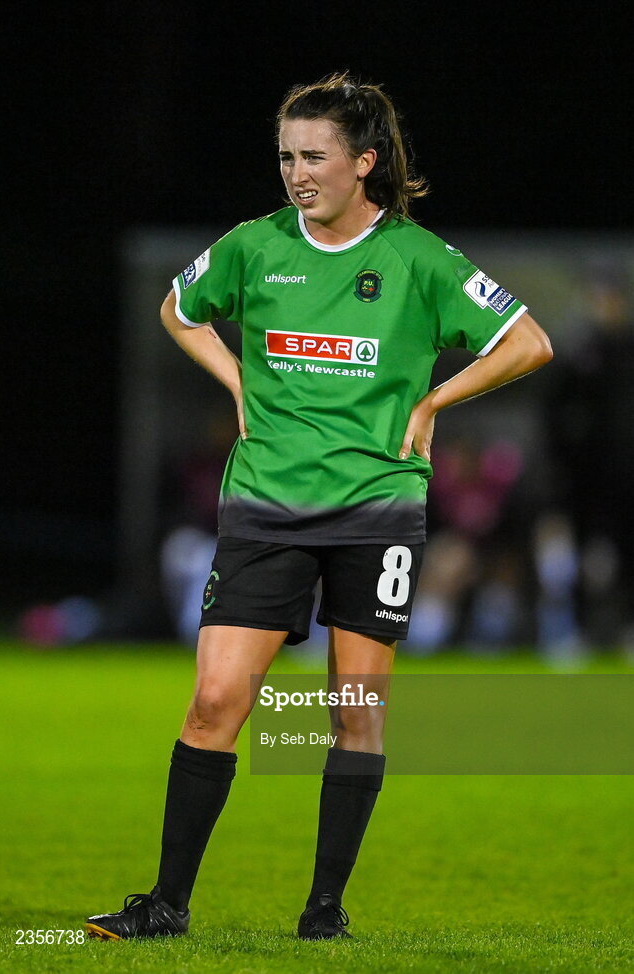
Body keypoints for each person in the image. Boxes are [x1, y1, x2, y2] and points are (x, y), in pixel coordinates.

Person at [85, 72, 552, 942]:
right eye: (285, 157)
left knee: (355, 706)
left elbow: (528, 341)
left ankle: (324, 909)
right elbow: (178, 311)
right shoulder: (254, 246)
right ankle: (166, 904)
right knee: (216, 701)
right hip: (265, 501)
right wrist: (237, 383)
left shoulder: (418, 260)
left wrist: (430, 403)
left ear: (364, 162)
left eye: (314, 157)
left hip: (377, 509)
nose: (296, 173)